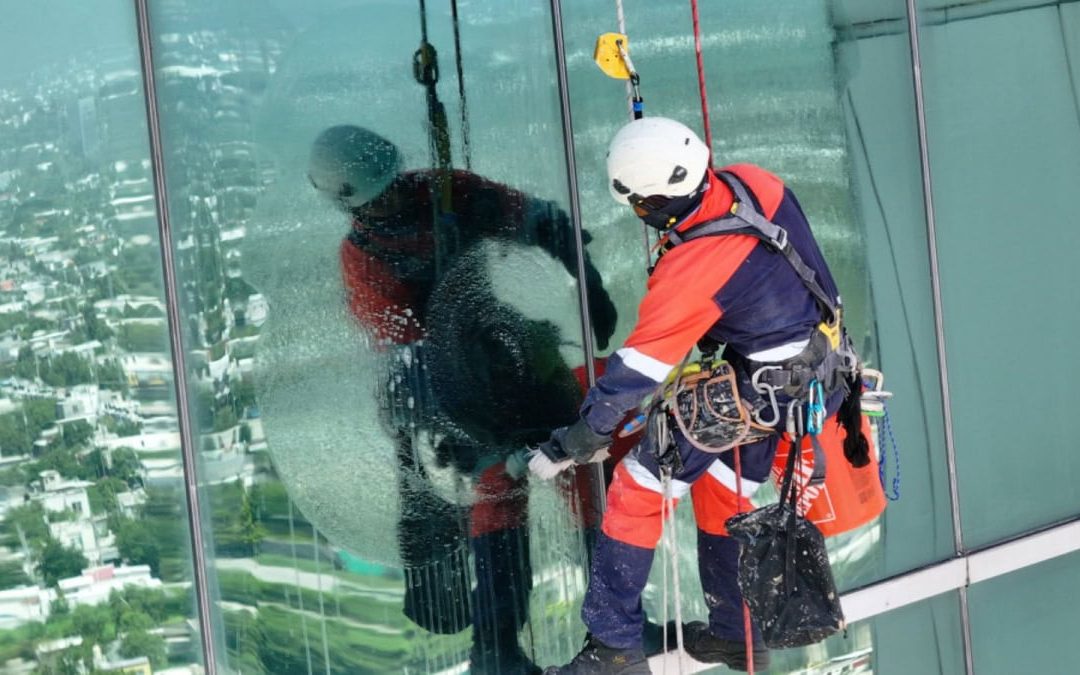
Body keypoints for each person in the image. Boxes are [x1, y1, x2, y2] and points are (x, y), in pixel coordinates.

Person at [530, 117, 886, 674]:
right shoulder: (754, 182)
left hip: (759, 390)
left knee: (637, 489)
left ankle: (613, 649)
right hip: (813, 376)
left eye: (640, 205)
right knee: (724, 486)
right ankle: (736, 635)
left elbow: (636, 372)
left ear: (652, 203)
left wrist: (579, 438)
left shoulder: (693, 269)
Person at [308, 124, 619, 674]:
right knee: (499, 489)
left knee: (583, 471)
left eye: (393, 185)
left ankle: (616, 627)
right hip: (446, 390)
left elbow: (541, 221)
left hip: (503, 354)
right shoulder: (365, 260)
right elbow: (405, 352)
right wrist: (469, 430)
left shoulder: (447, 192)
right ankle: (496, 650)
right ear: (352, 207)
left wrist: (587, 280)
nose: (392, 198)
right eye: (379, 197)